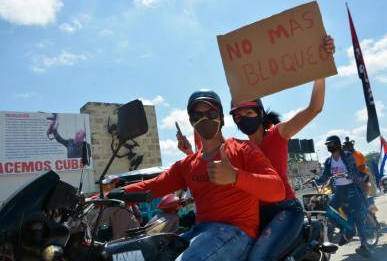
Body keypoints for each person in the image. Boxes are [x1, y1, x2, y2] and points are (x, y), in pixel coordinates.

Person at [125, 90, 285, 261]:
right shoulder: (188, 165)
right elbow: (151, 186)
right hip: (200, 231)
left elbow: (277, 190)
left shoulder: (244, 150)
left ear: (221, 117)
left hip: (237, 231)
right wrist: (103, 196)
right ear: (191, 121)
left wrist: (235, 176)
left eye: (211, 113)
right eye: (197, 114)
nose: (204, 118)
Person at [224, 35, 335, 261]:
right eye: (238, 116)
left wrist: (321, 67)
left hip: (285, 210)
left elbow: (315, 108)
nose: (243, 118)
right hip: (254, 216)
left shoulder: (278, 134)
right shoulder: (236, 148)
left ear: (260, 114)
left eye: (248, 113)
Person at [316, 135, 372, 258]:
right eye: (327, 145)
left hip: (352, 188)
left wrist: (350, 175)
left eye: (330, 144)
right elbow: (325, 175)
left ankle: (364, 246)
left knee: (357, 217)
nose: (329, 147)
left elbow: (354, 171)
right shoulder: (329, 161)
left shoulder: (347, 156)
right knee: (329, 212)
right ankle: (347, 231)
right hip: (339, 190)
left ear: (336, 144)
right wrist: (316, 181)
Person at [87, 175, 142, 241]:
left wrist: (88, 231)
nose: (103, 191)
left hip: (124, 239)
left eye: (105, 187)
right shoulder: (126, 198)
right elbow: (140, 218)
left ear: (115, 185)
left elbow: (97, 223)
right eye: (103, 187)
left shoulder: (111, 203)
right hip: (136, 233)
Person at [343, 136, 379, 213]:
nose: (345, 149)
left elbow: (361, 167)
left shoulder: (358, 155)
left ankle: (372, 208)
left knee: (365, 192)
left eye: (346, 147)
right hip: (352, 176)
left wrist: (352, 174)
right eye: (345, 147)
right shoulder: (345, 156)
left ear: (350, 146)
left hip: (363, 175)